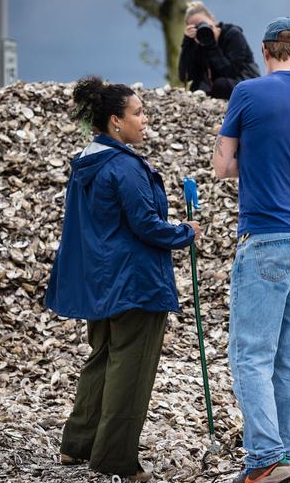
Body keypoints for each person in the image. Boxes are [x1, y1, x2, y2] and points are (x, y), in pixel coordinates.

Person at [45, 76, 200, 481]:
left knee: (101, 360)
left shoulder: (87, 162)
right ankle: (116, 459)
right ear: (116, 121)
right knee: (130, 370)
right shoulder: (124, 166)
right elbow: (147, 225)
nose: (145, 119)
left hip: (101, 281)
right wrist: (186, 231)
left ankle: (75, 445)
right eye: (138, 112)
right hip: (136, 283)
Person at [213, 17, 290, 483]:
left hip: (267, 237)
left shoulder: (247, 92)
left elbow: (223, 166)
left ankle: (265, 458)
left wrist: (257, 157)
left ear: (265, 52)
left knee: (252, 355)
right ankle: (283, 453)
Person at [178, 0, 260, 100]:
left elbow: (231, 72)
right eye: (196, 28)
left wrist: (210, 44)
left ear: (212, 19)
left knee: (221, 85)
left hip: (247, 84)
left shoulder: (233, 34)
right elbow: (185, 77)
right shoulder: (198, 45)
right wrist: (187, 44)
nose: (201, 29)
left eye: (202, 24)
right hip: (220, 88)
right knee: (196, 88)